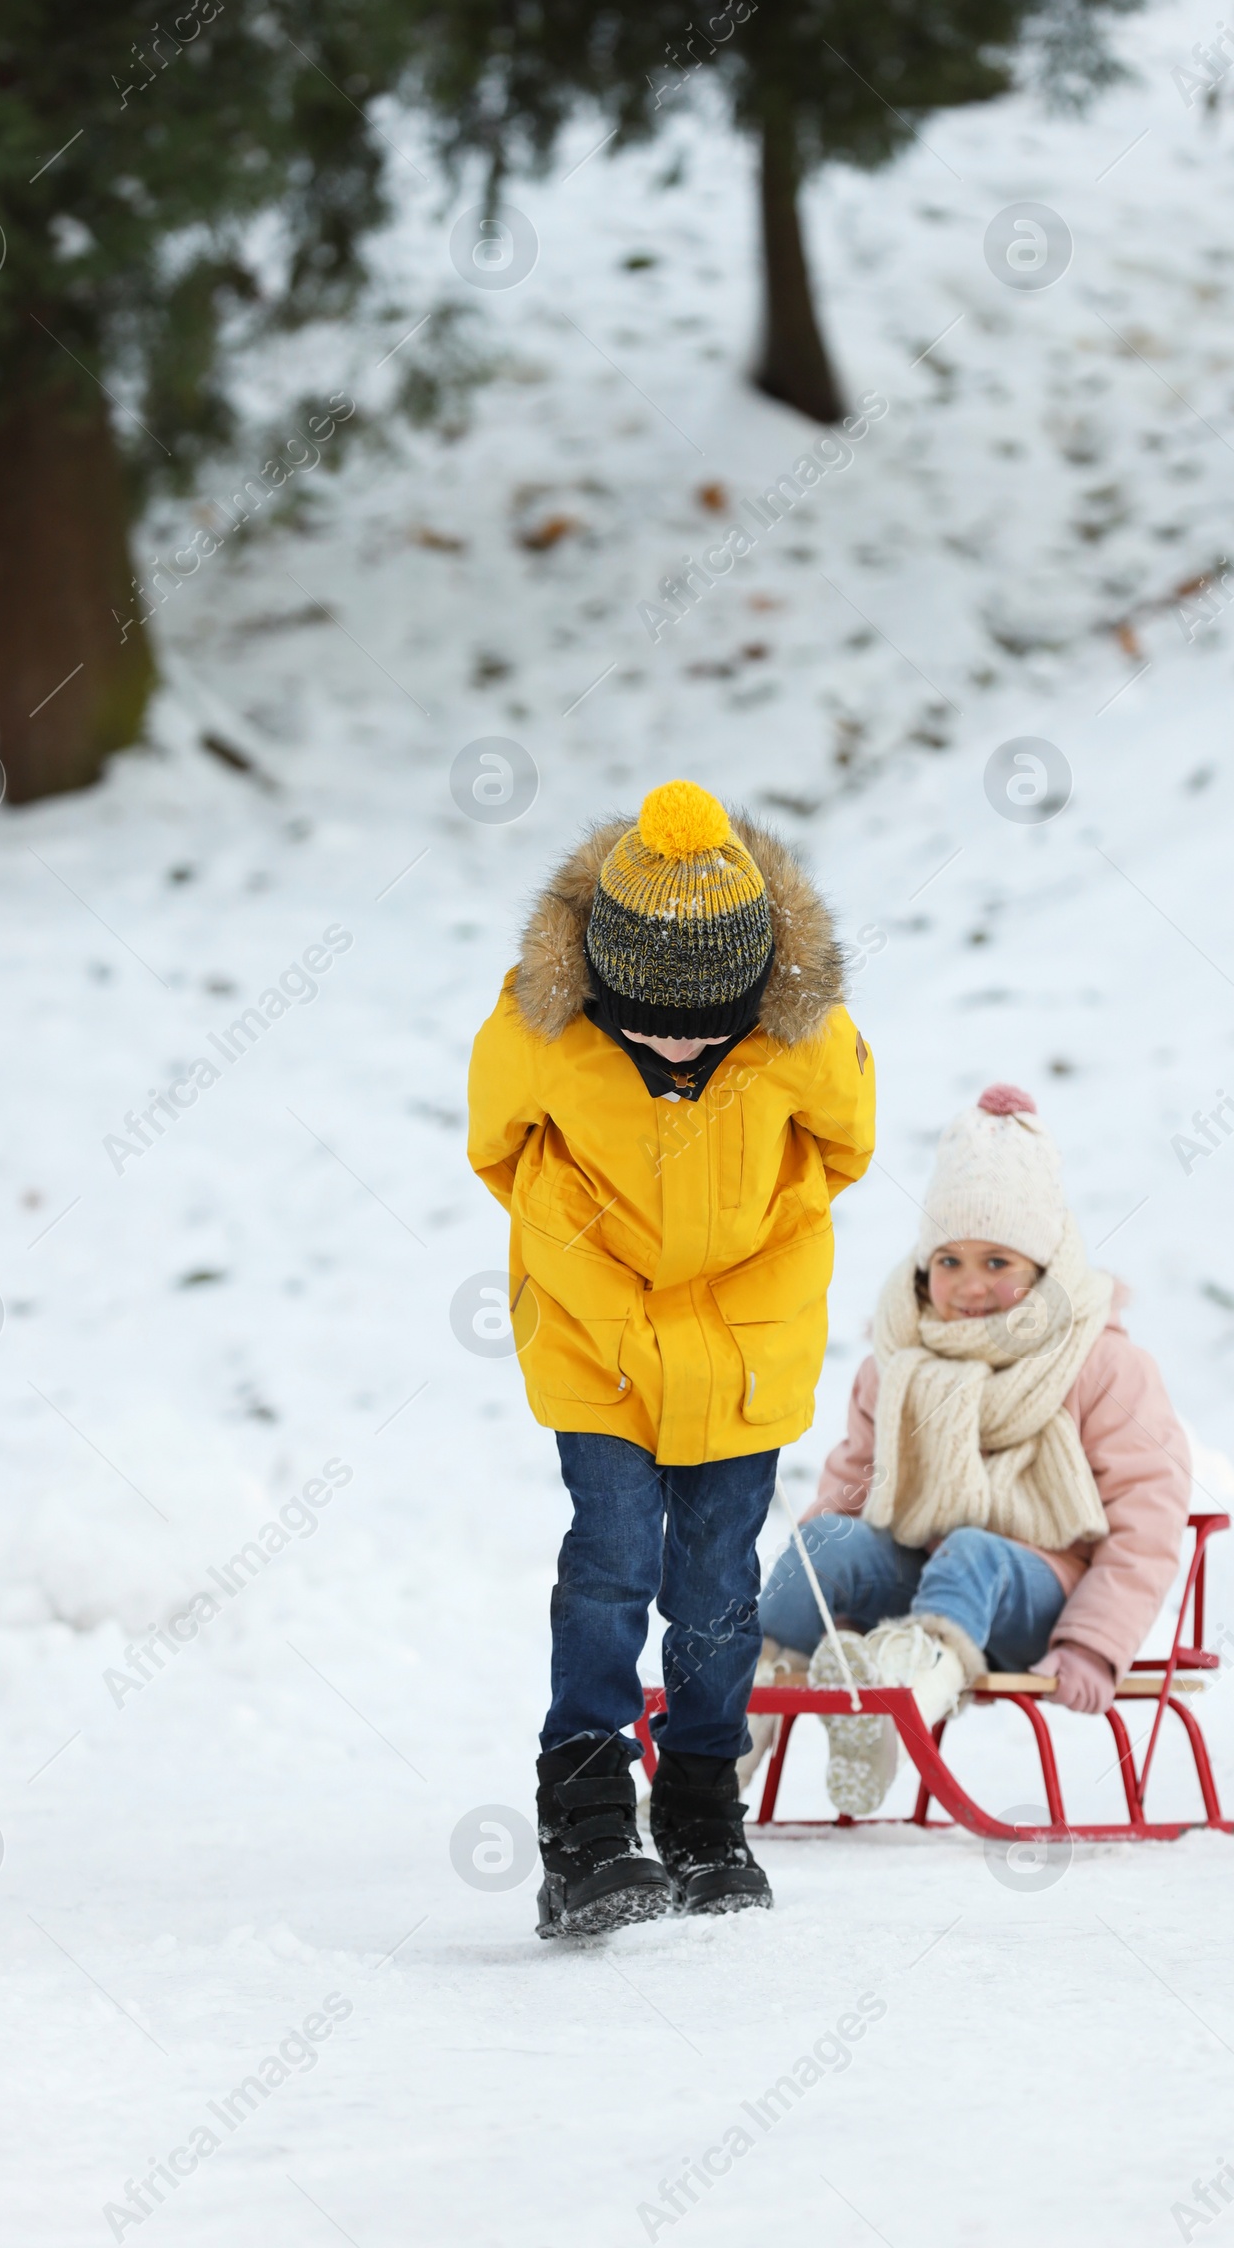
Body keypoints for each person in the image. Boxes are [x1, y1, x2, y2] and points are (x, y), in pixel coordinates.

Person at [467, 780, 875, 1934]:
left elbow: (846, 1144)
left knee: (714, 1589)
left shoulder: (803, 1042)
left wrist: (763, 1243)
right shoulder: (539, 1032)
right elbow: (497, 1148)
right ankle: (588, 1822)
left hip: (746, 1345)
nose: (681, 1042)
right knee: (608, 1564)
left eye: (709, 1021)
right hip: (597, 1340)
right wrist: (575, 1247)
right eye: (652, 1022)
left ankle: (701, 1809)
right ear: (603, 982)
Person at [749, 1084, 1190, 1814]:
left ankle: (900, 1713)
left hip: (1042, 1601)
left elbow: (1150, 1517)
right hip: (919, 1580)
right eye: (949, 1261)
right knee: (824, 1539)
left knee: (972, 1550)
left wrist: (1094, 1642)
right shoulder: (897, 1364)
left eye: (998, 1263)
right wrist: (831, 1590)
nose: (970, 1286)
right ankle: (734, 1727)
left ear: (1045, 1268)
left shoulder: (1102, 1365)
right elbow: (852, 1487)